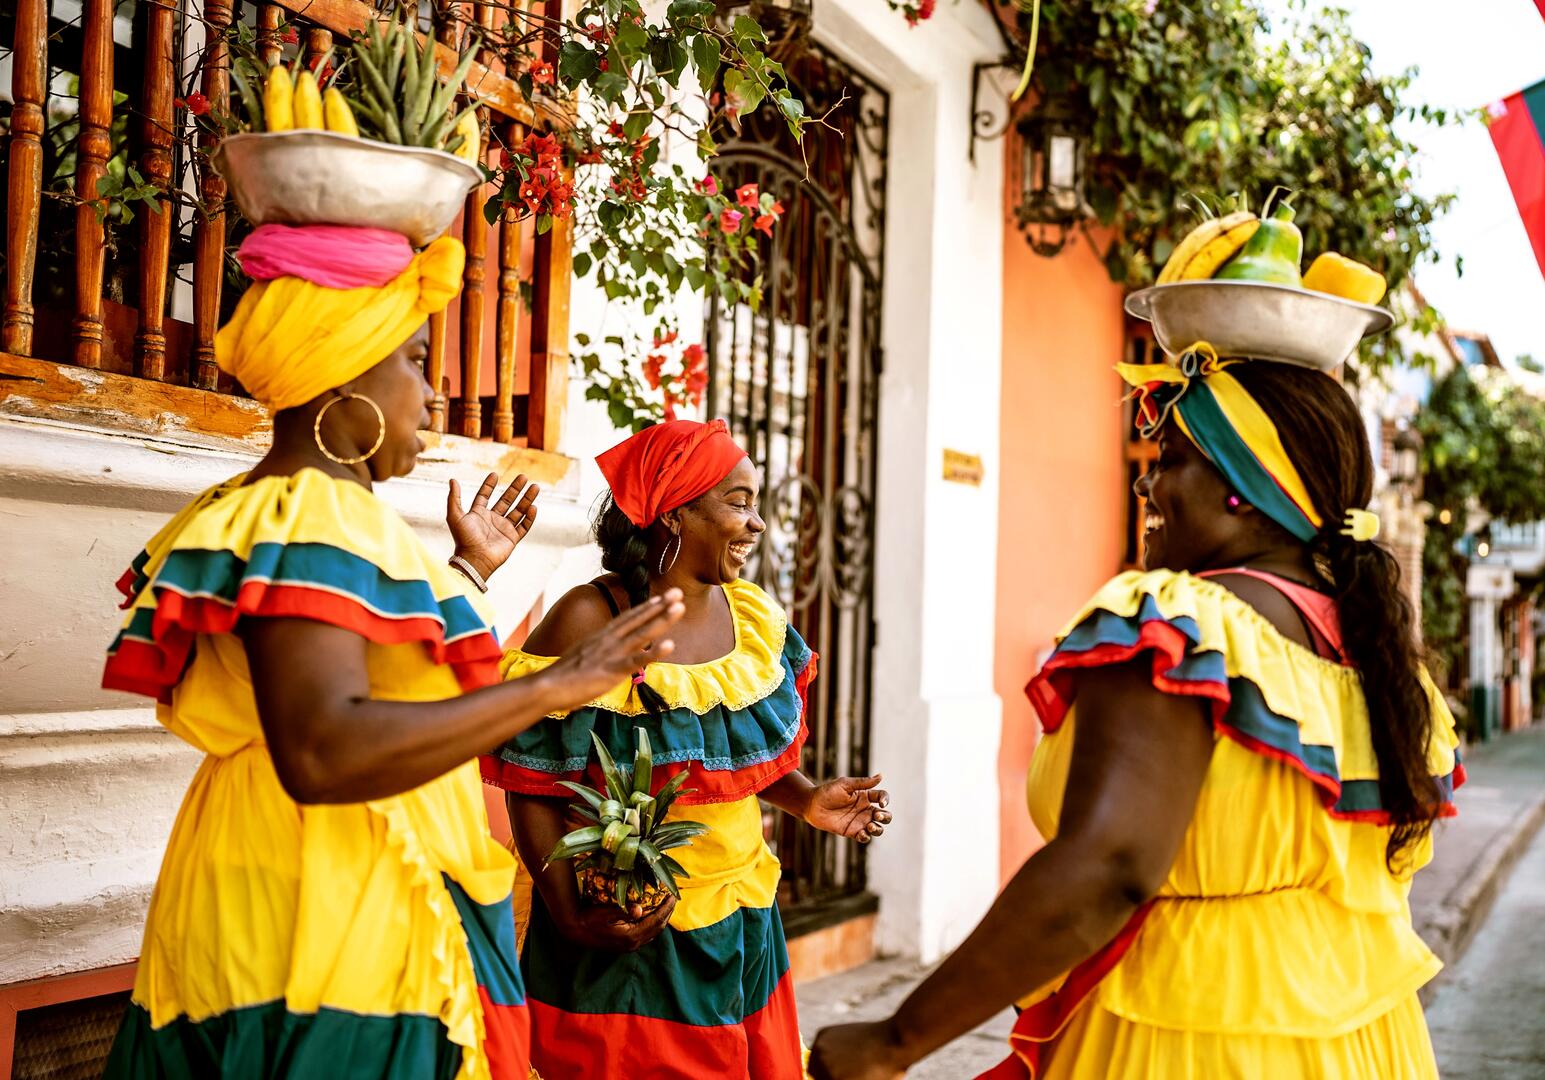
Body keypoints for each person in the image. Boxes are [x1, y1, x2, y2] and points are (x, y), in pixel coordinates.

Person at [102, 223, 685, 1079]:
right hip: (326, 897)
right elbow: (324, 750)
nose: (432, 393)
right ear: (344, 377)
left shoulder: (262, 505)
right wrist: (557, 684)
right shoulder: (314, 514)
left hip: (284, 870)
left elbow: (359, 669)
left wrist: (466, 573)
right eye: (413, 360)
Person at [808, 348, 1462, 1079]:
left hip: (1195, 1038)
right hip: (1359, 1044)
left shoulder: (1179, 627)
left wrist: (894, 1041)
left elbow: (1108, 867)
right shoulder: (1375, 659)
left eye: (1172, 460)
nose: (1147, 483)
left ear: (1246, 489)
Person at [481, 418, 893, 1078]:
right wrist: (569, 912)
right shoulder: (589, 619)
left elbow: (728, 759)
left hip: (741, 915)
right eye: (738, 502)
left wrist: (807, 800)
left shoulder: (750, 619)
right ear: (673, 514)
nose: (757, 523)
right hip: (624, 921)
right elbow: (533, 778)